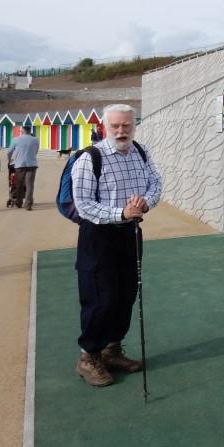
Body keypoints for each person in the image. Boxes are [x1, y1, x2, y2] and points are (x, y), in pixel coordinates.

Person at [72, 104, 162, 387]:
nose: (121, 131)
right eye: (115, 126)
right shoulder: (90, 158)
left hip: (130, 233)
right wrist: (119, 213)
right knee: (101, 297)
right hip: (98, 236)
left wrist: (147, 201)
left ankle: (112, 350)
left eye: (126, 125)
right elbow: (83, 204)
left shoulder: (141, 151)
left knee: (126, 293)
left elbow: (155, 182)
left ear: (134, 125)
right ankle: (89, 357)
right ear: (104, 126)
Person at [7, 124, 39, 211]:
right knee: (30, 185)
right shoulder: (36, 140)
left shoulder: (16, 139)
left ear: (22, 131)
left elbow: (9, 152)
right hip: (32, 164)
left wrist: (9, 160)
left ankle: (19, 202)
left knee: (19, 184)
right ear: (30, 131)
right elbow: (36, 151)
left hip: (19, 164)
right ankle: (28, 204)